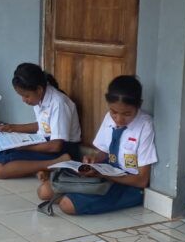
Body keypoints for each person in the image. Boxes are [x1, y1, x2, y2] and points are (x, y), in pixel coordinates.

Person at [37, 75, 157, 215]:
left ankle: (72, 197)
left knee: (67, 205)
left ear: (139, 105)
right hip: (107, 172)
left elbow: (142, 180)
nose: (119, 119)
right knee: (44, 191)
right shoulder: (109, 117)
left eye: (127, 114)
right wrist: (94, 160)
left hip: (128, 183)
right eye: (114, 112)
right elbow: (104, 152)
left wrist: (104, 174)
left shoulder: (145, 125)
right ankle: (74, 195)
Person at [0, 63, 81, 179]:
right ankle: (33, 169)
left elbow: (56, 146)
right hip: (42, 141)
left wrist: (24, 147)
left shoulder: (59, 103)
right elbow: (43, 125)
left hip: (60, 149)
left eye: (26, 96)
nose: (24, 100)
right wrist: (12, 128)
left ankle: (56, 163)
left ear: (39, 89)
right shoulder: (39, 98)